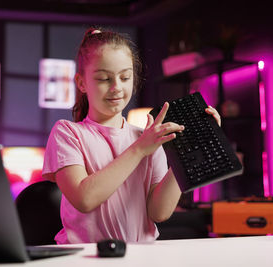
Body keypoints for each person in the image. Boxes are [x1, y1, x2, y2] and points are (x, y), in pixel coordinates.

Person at [42, 27, 221, 244]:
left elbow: (159, 212)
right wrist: (139, 149)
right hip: (84, 259)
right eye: (103, 79)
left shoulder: (147, 138)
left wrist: (185, 153)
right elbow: (85, 199)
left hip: (141, 257)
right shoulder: (68, 133)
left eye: (125, 77)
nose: (116, 87)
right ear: (81, 83)